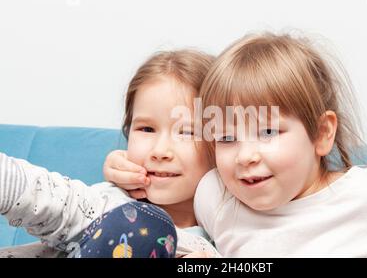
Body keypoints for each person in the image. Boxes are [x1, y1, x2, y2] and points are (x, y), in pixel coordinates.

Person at [105, 32, 367, 257]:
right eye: (226, 137)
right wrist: (123, 168)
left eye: (268, 133)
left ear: (321, 133)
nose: (245, 156)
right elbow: (166, 192)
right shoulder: (217, 193)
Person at [0, 50, 220, 258]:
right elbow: (61, 206)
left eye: (187, 132)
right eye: (146, 129)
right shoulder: (114, 203)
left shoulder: (234, 233)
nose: (160, 151)